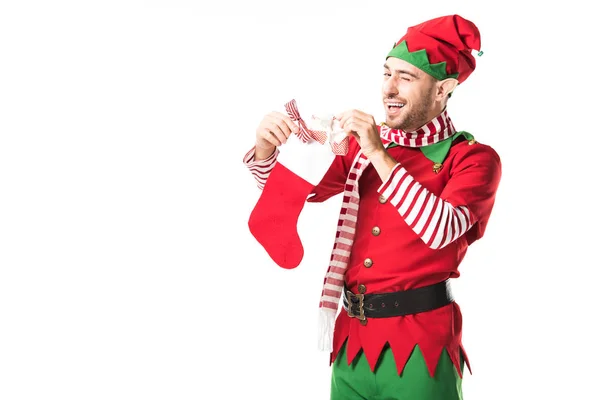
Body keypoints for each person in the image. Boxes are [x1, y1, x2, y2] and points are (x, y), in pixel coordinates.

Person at [243, 14, 501, 400]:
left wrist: (378, 152)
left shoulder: (472, 159)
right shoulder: (366, 148)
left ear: (443, 88)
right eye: (387, 74)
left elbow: (441, 228)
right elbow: (299, 195)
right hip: (351, 343)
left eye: (406, 77)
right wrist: (266, 149)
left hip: (421, 347)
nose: (389, 89)